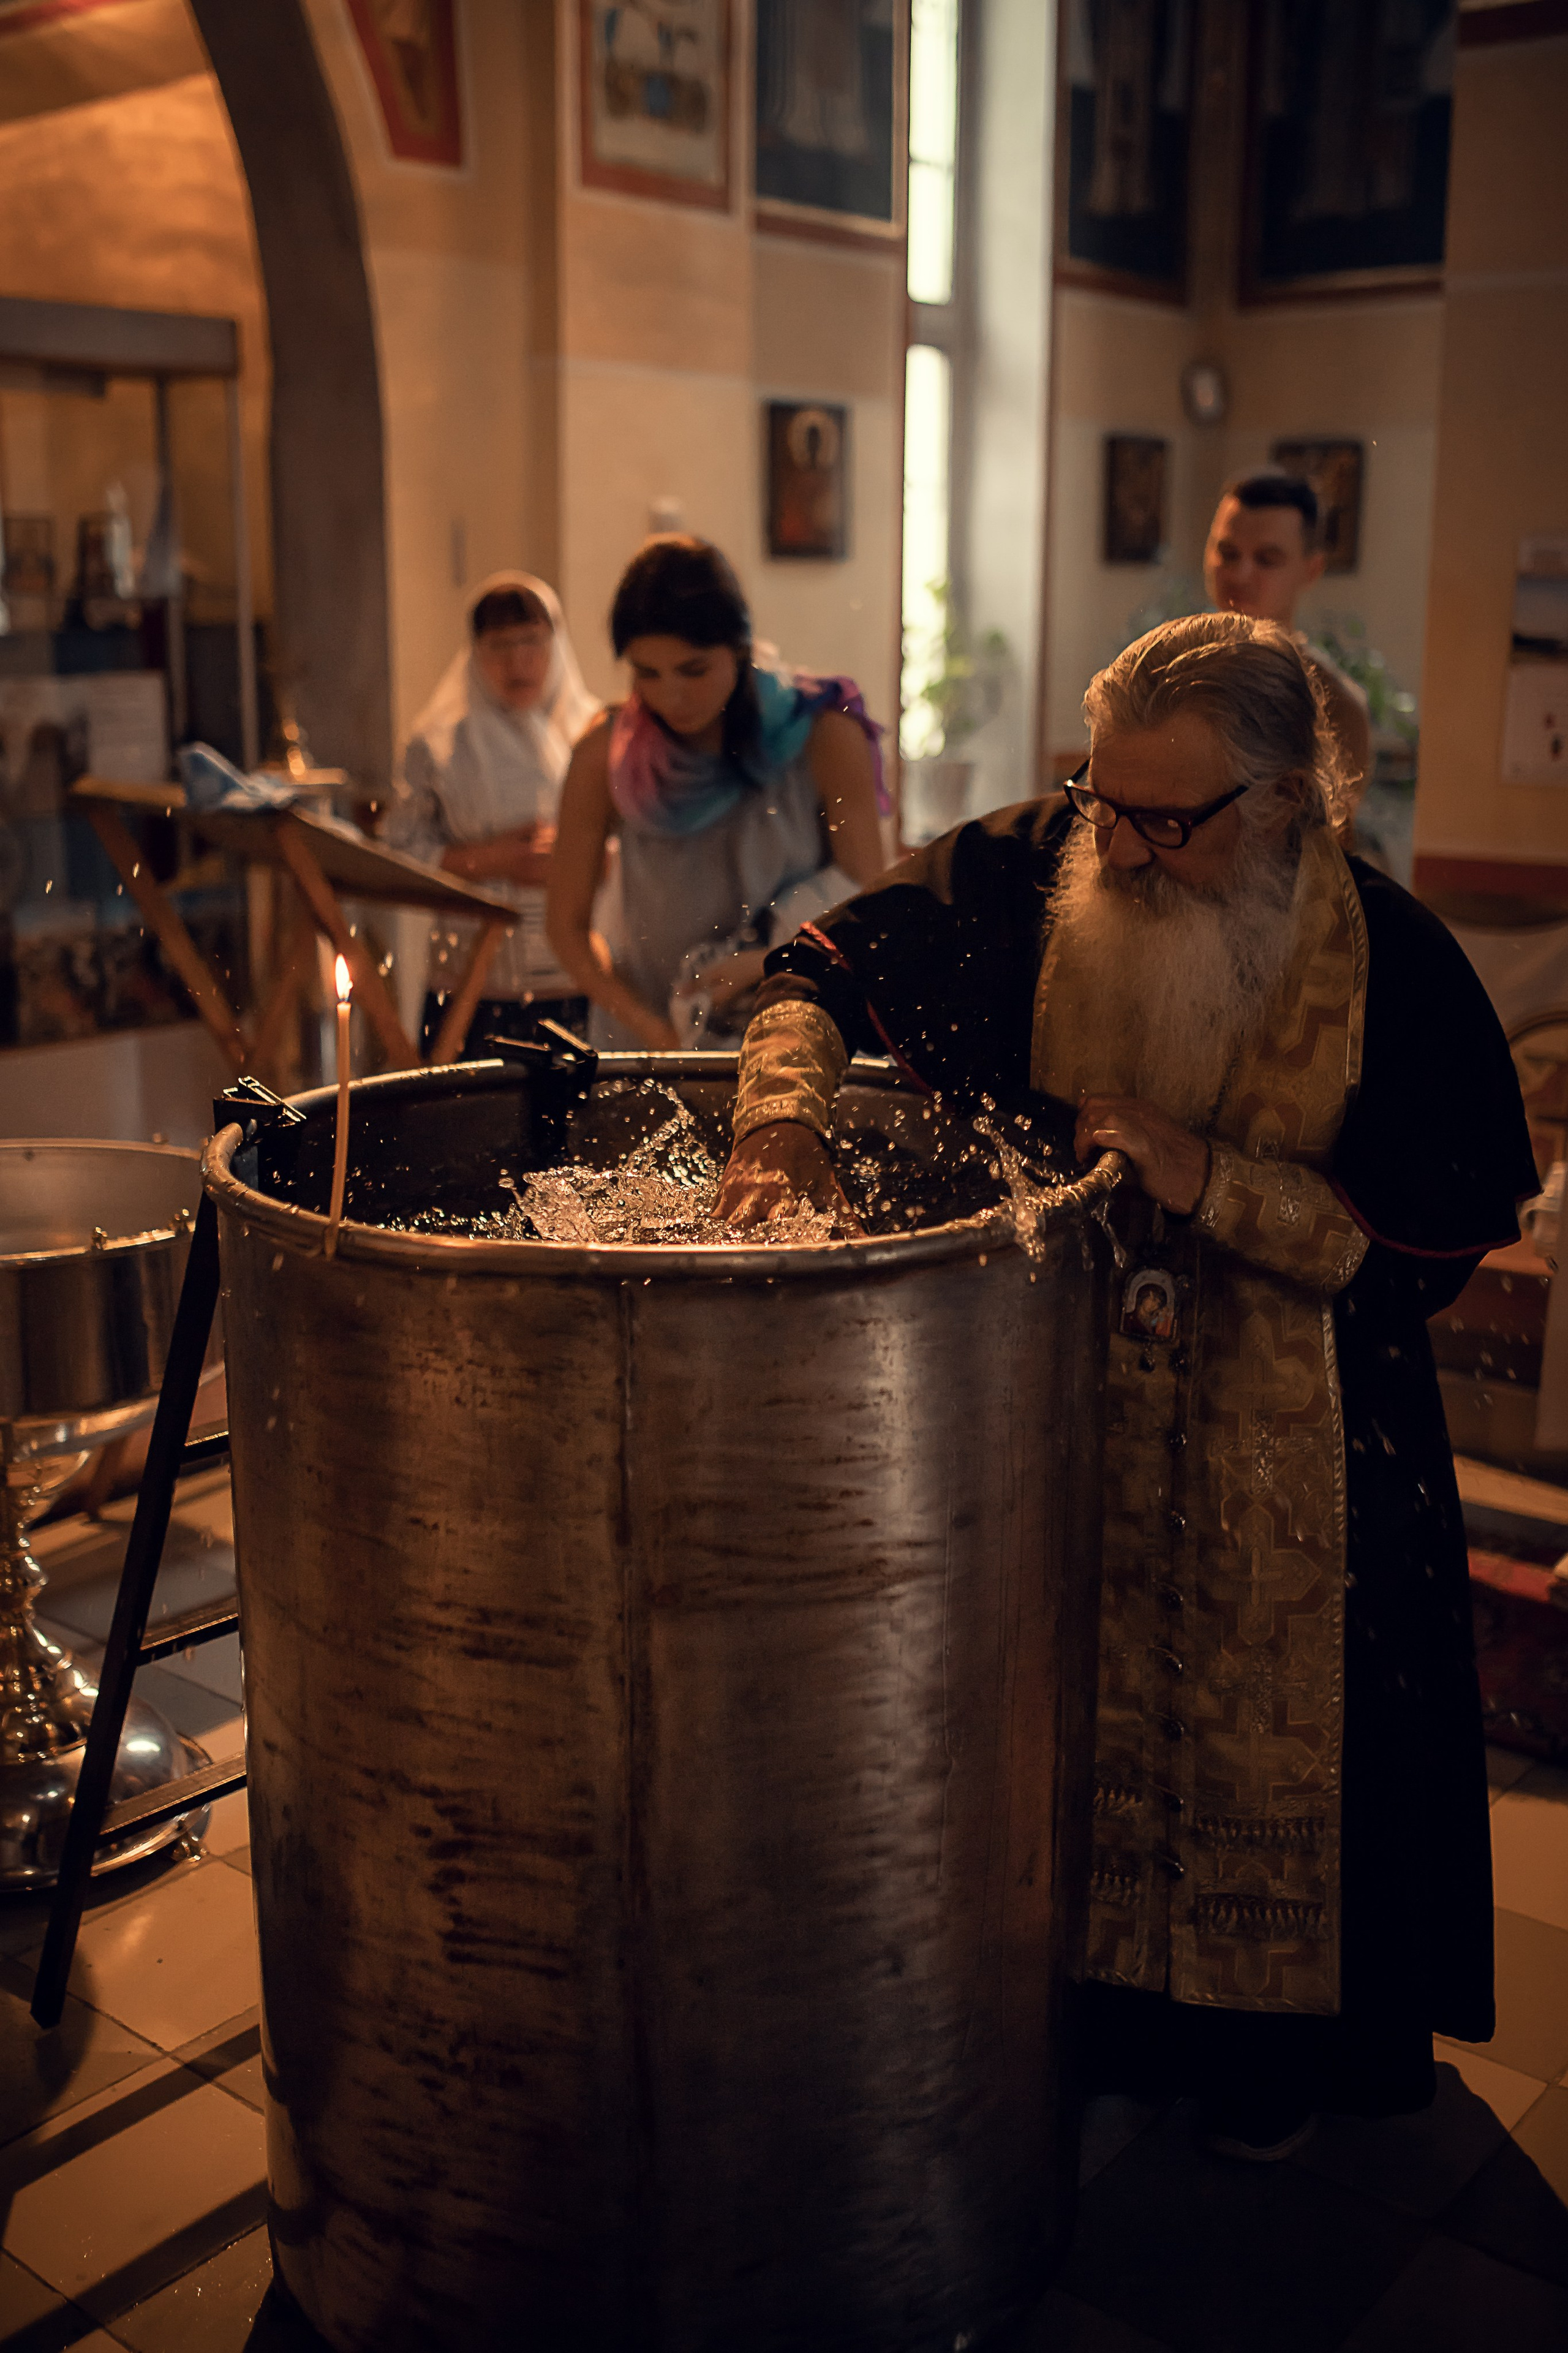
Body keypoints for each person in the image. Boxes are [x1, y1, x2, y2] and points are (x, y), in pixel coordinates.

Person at [718, 612, 1537, 2160]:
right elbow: (817, 971)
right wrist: (778, 1115)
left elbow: (1418, 1244)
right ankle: (1078, 2016)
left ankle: (1265, 2054)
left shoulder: (1386, 960)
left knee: (1281, 1769)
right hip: (1059, 1429)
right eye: (1105, 801)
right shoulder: (1042, 867)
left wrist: (1208, 1176)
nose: (1129, 850)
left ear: (1285, 802)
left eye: (1170, 819)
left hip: (1302, 1466)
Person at [546, 535, 886, 1051]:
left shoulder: (822, 733)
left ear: (740, 647)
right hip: (652, 1042)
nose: (670, 696)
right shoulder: (607, 756)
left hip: (794, 1029)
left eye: (694, 669)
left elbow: (867, 894)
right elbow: (566, 928)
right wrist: (653, 1030)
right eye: (647, 673)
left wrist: (772, 962)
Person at [385, 571, 600, 1054]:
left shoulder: (592, 733)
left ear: (556, 643)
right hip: (471, 981)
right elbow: (398, 851)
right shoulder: (440, 743)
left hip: (576, 976)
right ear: (476, 652)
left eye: (532, 643)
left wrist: (580, 859)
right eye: (500, 646)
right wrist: (494, 858)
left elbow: (627, 844)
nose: (518, 662)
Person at [1204, 471, 1371, 810]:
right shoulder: (1169, 668)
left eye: (1267, 559)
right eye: (1228, 553)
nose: (1239, 574)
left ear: (1311, 569)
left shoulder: (1333, 705)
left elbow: (1331, 838)